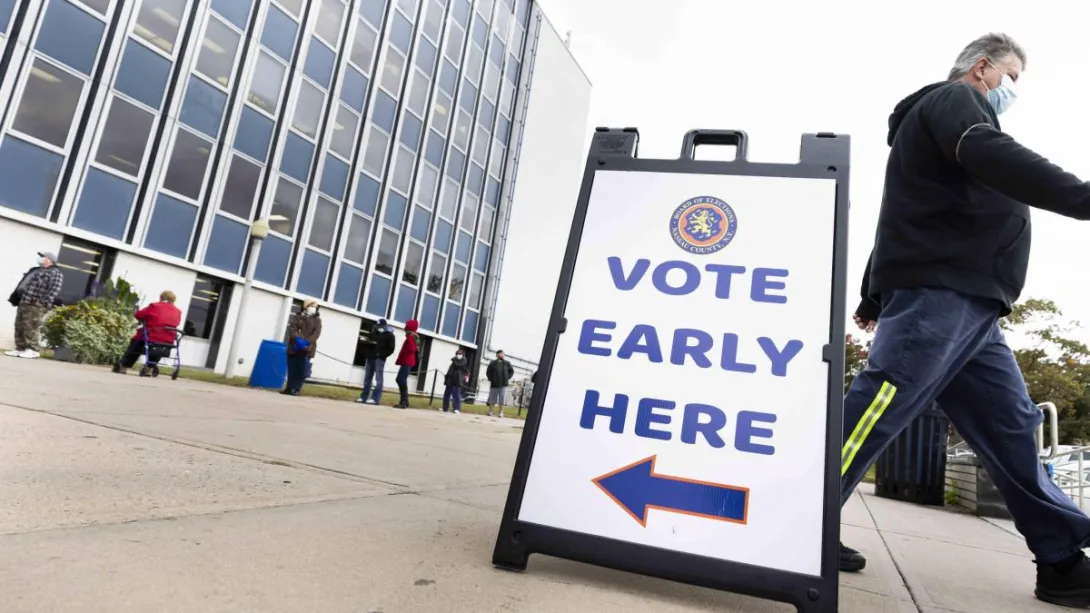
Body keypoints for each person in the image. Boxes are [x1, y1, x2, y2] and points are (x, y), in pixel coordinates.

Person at [840, 33, 1090, 607]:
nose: (1012, 93)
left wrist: (872, 296)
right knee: (881, 403)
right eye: (1013, 79)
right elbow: (986, 153)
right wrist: (1081, 196)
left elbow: (899, 211)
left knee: (1012, 432)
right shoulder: (954, 102)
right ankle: (793, 525)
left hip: (975, 307)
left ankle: (1060, 560)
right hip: (942, 289)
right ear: (982, 68)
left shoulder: (949, 127)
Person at [6, 251, 64, 359]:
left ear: (49, 260)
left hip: (36, 305)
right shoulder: (36, 270)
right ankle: (20, 348)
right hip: (24, 302)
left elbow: (54, 290)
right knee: (20, 325)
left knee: (31, 327)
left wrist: (42, 302)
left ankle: (32, 350)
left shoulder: (55, 273)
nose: (40, 258)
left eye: (43, 257)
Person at [113, 291, 182, 375]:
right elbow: (176, 323)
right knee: (159, 347)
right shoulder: (178, 311)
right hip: (168, 338)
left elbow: (139, 314)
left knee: (136, 342)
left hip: (151, 334)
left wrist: (146, 320)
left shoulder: (155, 306)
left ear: (161, 297)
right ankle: (149, 367)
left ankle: (124, 365)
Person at [282, 300, 322, 396]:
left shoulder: (317, 320)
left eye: (315, 307)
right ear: (306, 306)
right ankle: (289, 388)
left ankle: (297, 389)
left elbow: (316, 333)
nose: (314, 308)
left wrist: (308, 341)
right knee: (292, 368)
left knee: (301, 370)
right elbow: (293, 328)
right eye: (312, 306)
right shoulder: (298, 317)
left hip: (307, 348)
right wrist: (298, 339)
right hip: (294, 347)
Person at [358, 318, 395, 405]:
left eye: (380, 326)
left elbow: (391, 349)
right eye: (377, 326)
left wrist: (382, 355)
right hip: (370, 357)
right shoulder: (374, 333)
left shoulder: (390, 335)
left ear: (385, 326)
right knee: (367, 378)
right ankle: (364, 397)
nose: (379, 328)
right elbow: (368, 342)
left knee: (378, 379)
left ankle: (375, 399)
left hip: (380, 359)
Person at [393, 319, 419, 408]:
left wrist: (403, 352)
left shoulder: (410, 337)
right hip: (408, 361)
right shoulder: (412, 336)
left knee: (400, 379)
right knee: (400, 379)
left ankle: (403, 401)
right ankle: (405, 401)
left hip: (407, 361)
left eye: (407, 325)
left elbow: (412, 349)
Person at [486, 350, 515, 418]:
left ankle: (501, 412)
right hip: (494, 384)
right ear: (497, 355)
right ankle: (491, 411)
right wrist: (491, 379)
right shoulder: (492, 363)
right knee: (492, 398)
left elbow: (511, 371)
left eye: (503, 354)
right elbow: (488, 372)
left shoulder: (507, 363)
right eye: (500, 354)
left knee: (502, 399)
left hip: (504, 384)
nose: (502, 355)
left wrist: (507, 377)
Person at [442, 349, 470, 414]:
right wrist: (447, 378)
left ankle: (456, 408)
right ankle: (445, 408)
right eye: (457, 353)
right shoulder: (454, 362)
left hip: (457, 380)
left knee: (456, 394)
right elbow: (450, 370)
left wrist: (466, 376)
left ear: (462, 355)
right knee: (447, 394)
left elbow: (459, 365)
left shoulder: (463, 361)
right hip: (450, 379)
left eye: (460, 354)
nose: (458, 355)